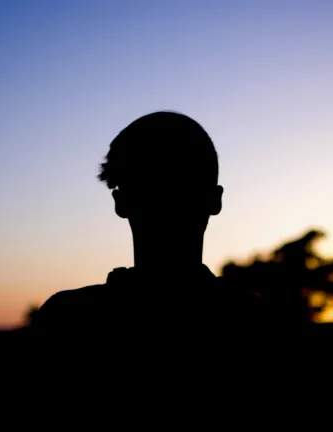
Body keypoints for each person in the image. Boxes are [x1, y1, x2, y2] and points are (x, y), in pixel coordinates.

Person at [29, 111, 272, 351]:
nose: (167, 199)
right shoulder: (257, 322)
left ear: (121, 202)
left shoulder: (68, 319)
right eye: (155, 186)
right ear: (215, 200)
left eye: (180, 183)